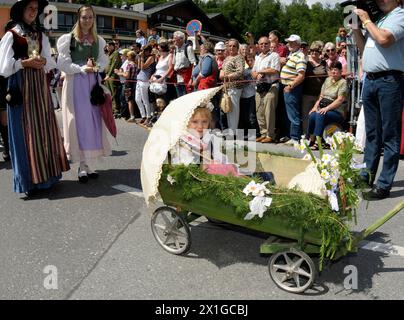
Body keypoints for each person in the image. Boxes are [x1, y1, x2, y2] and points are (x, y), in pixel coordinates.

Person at [0, 0, 70, 195]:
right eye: (30, 8)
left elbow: (50, 62)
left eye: (36, 9)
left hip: (39, 87)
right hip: (21, 87)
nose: (33, 11)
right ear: (22, 10)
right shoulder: (11, 35)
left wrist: (43, 60)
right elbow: (4, 68)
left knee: (43, 129)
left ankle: (47, 177)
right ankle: (29, 182)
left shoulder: (40, 35)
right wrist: (25, 63)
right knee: (24, 132)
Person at [352, 0, 404, 199]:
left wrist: (365, 20)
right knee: (372, 133)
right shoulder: (379, 19)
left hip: (390, 80)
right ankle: (367, 175)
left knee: (390, 134)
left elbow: (384, 40)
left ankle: (383, 184)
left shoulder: (400, 14)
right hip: (371, 80)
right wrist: (356, 29)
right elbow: (364, 48)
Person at [57, 4, 110, 183]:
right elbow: (62, 64)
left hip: (92, 83)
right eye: (84, 17)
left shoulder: (99, 40)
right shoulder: (68, 39)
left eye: (90, 17)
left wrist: (95, 67)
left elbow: (104, 60)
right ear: (78, 19)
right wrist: (81, 68)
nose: (87, 20)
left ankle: (89, 163)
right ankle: (81, 165)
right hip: (75, 82)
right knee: (78, 122)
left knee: (93, 122)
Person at [306, 61, 348, 150]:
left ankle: (318, 141)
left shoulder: (343, 82)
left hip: (337, 111)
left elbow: (340, 99)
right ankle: (310, 138)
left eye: (336, 70)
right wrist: (314, 108)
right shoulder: (327, 80)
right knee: (312, 115)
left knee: (320, 114)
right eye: (332, 70)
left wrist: (327, 108)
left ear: (340, 71)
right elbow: (321, 96)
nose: (333, 72)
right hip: (324, 107)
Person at [252, 37, 280, 143]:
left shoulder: (274, 55)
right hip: (259, 86)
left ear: (269, 44)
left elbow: (275, 69)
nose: (263, 45)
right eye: (261, 44)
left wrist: (262, 72)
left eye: (266, 43)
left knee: (269, 111)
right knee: (259, 111)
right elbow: (253, 72)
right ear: (258, 45)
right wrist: (257, 75)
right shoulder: (258, 57)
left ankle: (270, 134)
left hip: (271, 86)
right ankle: (263, 133)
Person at [280, 34, 307, 145]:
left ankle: (295, 138)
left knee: (293, 114)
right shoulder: (292, 55)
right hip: (287, 87)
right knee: (289, 113)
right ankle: (292, 136)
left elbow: (301, 75)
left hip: (292, 88)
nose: (289, 44)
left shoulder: (300, 56)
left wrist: (290, 86)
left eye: (292, 42)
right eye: (289, 42)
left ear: (298, 44)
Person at [301, 41, 328, 134]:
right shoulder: (306, 62)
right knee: (306, 116)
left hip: (320, 95)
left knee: (318, 116)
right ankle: (306, 136)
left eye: (316, 50)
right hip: (307, 94)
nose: (313, 52)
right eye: (312, 50)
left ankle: (316, 137)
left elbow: (328, 77)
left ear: (320, 52)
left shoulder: (324, 63)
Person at [219, 39, 245, 131]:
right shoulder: (227, 58)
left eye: (234, 46)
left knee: (233, 111)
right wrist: (221, 74)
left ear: (237, 48)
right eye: (230, 46)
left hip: (235, 87)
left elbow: (240, 72)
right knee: (228, 109)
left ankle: (233, 132)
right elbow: (222, 69)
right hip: (226, 87)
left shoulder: (239, 58)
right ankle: (231, 130)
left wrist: (227, 76)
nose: (231, 48)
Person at [135, 44, 156, 126]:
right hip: (139, 79)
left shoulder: (151, 57)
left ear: (148, 51)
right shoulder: (143, 57)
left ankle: (148, 116)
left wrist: (142, 58)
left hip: (145, 81)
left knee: (145, 100)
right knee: (137, 99)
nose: (142, 52)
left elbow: (143, 67)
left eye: (144, 51)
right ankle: (143, 116)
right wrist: (140, 58)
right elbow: (140, 67)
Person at [172, 31, 197, 97]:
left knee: (186, 97)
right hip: (177, 78)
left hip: (186, 77)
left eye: (175, 38)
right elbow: (174, 64)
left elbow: (193, 64)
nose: (173, 40)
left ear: (181, 39)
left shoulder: (188, 48)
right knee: (179, 98)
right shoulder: (175, 50)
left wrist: (191, 79)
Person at [104, 41, 122, 118]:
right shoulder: (109, 54)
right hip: (108, 76)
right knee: (109, 93)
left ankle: (116, 110)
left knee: (114, 93)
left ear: (112, 46)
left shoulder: (116, 53)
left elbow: (114, 65)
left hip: (112, 76)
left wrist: (109, 74)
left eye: (108, 46)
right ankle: (111, 109)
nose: (107, 48)